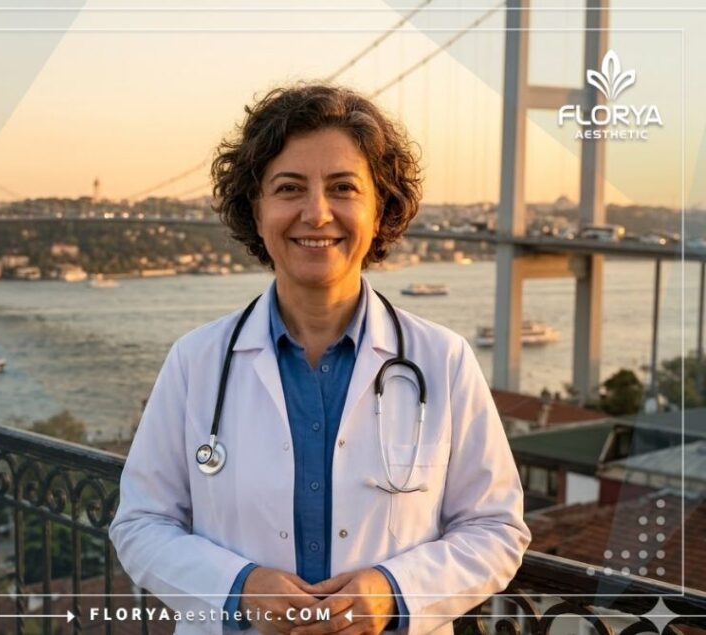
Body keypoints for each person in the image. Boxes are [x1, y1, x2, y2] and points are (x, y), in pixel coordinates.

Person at [109, 83, 530, 635]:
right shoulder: (195, 362)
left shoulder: (443, 360)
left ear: (380, 212)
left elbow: (496, 527)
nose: (316, 212)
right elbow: (141, 523)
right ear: (255, 212)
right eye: (288, 188)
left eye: (343, 188)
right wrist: (236, 587)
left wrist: (397, 593)